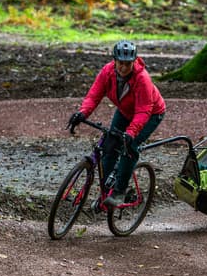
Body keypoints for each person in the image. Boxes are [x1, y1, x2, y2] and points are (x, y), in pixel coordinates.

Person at [67, 40, 166, 208]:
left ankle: (120, 191)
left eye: (128, 64)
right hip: (125, 111)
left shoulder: (142, 79)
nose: (124, 68)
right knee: (109, 146)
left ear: (134, 61)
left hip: (151, 114)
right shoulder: (107, 72)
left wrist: (131, 133)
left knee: (130, 147)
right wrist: (82, 113)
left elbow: (143, 110)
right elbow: (93, 96)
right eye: (121, 63)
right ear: (115, 61)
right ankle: (105, 191)